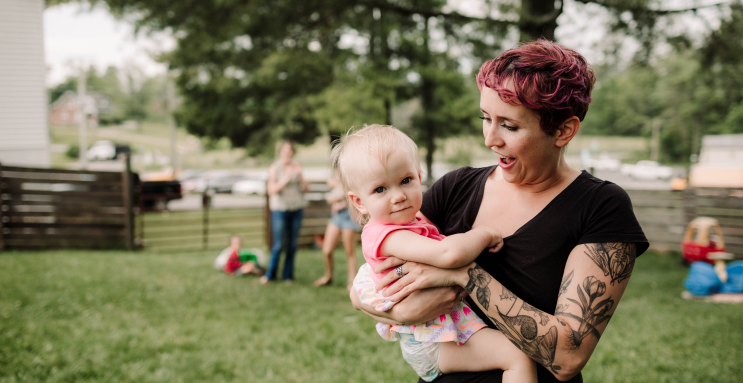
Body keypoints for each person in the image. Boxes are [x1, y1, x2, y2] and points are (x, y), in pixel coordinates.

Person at [350, 40, 649, 383]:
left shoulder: (600, 206)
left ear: (563, 130)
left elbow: (568, 355)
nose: (490, 139)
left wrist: (464, 274)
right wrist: (390, 309)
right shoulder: (455, 187)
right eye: (485, 118)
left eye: (509, 125)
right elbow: (372, 278)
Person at [335, 124, 536, 383]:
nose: (398, 196)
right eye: (380, 189)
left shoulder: (411, 221)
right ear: (359, 201)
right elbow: (448, 255)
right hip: (431, 342)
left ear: (419, 177)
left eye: (405, 181)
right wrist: (484, 233)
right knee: (517, 357)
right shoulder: (385, 235)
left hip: (439, 331)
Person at [261, 140, 309, 285]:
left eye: (290, 150)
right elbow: (271, 190)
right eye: (285, 150)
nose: (288, 152)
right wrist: (287, 178)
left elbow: (306, 188)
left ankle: (288, 276)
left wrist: (299, 175)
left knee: (292, 244)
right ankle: (270, 274)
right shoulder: (275, 167)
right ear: (280, 151)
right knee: (278, 244)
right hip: (280, 210)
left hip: (296, 209)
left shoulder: (296, 166)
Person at [314, 174, 362, 290]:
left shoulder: (352, 173)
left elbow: (353, 193)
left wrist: (338, 189)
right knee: (327, 250)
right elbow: (331, 198)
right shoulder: (336, 175)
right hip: (337, 217)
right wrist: (338, 195)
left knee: (349, 252)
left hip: (350, 216)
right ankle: (328, 277)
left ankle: (351, 282)